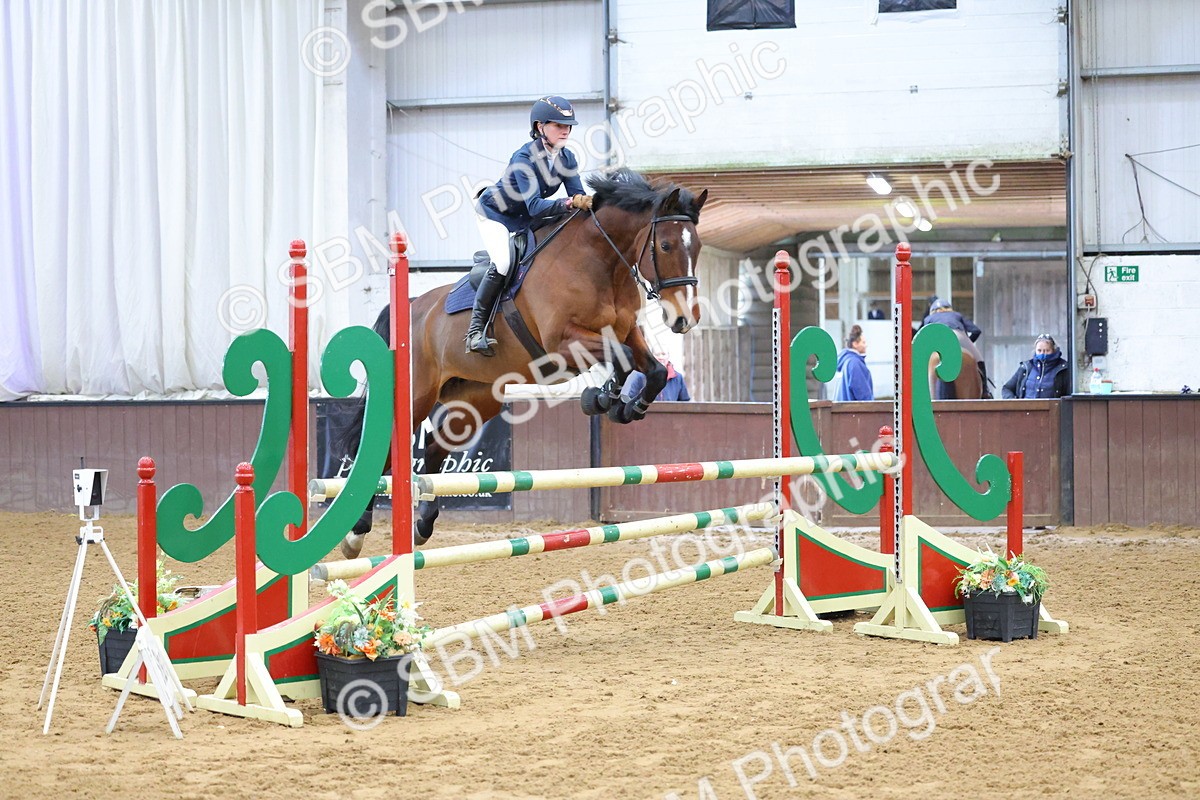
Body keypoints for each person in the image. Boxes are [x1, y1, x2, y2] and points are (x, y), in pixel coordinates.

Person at [466, 96, 592, 356]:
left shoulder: (567, 158)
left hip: (526, 216)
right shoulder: (524, 157)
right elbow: (536, 205)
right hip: (496, 215)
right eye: (558, 125)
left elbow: (578, 196)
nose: (565, 130)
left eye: (568, 125)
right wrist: (570, 202)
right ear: (540, 127)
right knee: (502, 263)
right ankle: (475, 331)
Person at [922, 297, 990, 396]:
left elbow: (924, 338)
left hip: (939, 340)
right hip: (958, 336)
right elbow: (976, 331)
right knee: (979, 359)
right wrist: (966, 345)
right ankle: (985, 391)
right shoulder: (957, 315)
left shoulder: (928, 318)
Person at [1002, 334, 1070, 399]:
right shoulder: (1026, 367)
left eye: (1047, 350)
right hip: (1026, 409)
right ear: (1035, 350)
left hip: (1052, 410)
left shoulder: (1063, 369)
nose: (1043, 353)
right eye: (1039, 350)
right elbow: (1007, 389)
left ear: (1054, 350)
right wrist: (1015, 405)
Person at [620, 353, 691, 402]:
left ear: (668, 356)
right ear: (652, 356)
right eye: (657, 354)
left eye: (663, 354)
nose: (660, 357)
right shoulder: (639, 376)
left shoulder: (678, 377)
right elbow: (629, 398)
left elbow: (684, 402)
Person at [833, 325, 873, 401]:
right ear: (855, 344)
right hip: (853, 412)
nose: (866, 345)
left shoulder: (844, 361)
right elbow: (863, 395)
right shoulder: (855, 363)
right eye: (863, 342)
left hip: (841, 411)